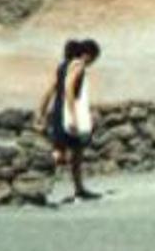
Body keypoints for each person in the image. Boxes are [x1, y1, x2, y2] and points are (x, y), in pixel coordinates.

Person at [40, 39, 102, 202]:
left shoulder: (62, 67)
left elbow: (50, 89)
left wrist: (41, 111)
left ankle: (41, 186)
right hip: (68, 114)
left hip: (58, 112)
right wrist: (74, 116)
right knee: (76, 153)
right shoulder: (78, 66)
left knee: (60, 152)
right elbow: (68, 87)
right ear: (88, 55)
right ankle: (78, 189)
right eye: (93, 59)